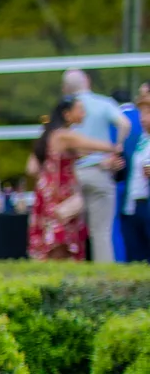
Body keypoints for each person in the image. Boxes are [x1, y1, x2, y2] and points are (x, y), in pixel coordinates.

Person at [26, 98, 117, 262]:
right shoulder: (64, 136)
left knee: (54, 240)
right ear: (67, 114)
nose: (84, 113)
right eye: (80, 109)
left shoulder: (48, 135)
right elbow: (91, 145)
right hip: (61, 194)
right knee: (61, 241)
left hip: (48, 193)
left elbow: (31, 168)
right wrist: (116, 145)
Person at [63, 68, 129, 262]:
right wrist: (116, 149)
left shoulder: (64, 110)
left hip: (71, 174)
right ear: (88, 81)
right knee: (101, 232)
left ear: (66, 87)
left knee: (69, 230)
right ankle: (103, 282)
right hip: (99, 171)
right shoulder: (103, 103)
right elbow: (124, 124)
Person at [121, 82, 150, 263]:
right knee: (136, 259)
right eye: (142, 112)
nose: (143, 117)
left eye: (148, 112)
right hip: (133, 205)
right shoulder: (137, 139)